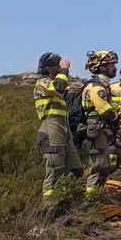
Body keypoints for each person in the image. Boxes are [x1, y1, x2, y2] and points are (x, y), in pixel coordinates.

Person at [33, 52, 83, 197]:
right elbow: (58, 87)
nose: (60, 68)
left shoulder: (57, 88)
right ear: (48, 68)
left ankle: (72, 204)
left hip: (63, 130)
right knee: (54, 172)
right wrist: (65, 69)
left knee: (76, 171)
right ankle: (50, 209)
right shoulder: (42, 82)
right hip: (51, 128)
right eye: (57, 66)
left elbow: (62, 89)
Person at [81, 50, 121, 198]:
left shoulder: (103, 87)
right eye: (112, 65)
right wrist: (118, 117)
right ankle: (90, 203)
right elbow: (106, 111)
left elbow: (112, 106)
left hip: (102, 131)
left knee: (105, 168)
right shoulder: (96, 87)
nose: (114, 68)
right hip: (96, 130)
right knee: (98, 168)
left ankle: (97, 198)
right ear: (102, 67)